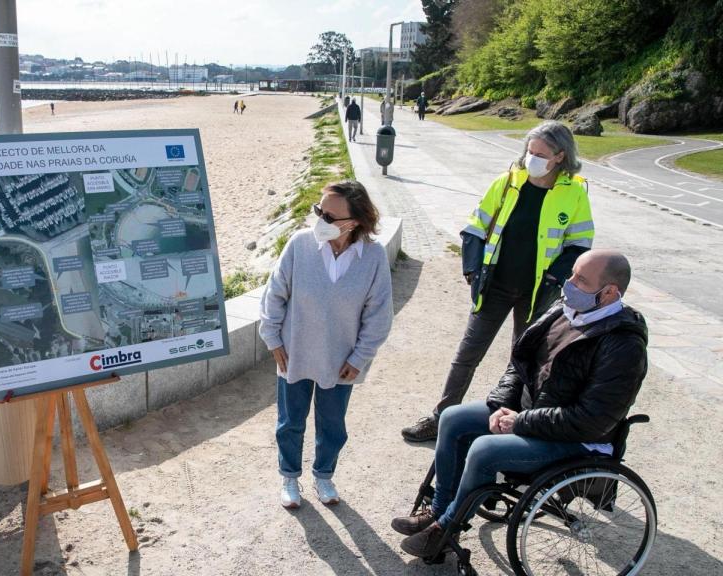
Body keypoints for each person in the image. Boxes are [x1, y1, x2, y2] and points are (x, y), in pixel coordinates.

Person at [392, 249, 648, 558]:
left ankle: (446, 528)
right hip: (530, 414)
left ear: (609, 293)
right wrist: (503, 404)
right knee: (452, 418)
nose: (569, 284)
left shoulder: (623, 346)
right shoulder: (563, 309)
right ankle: (439, 509)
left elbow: (590, 419)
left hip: (577, 440)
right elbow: (521, 362)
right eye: (571, 275)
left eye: (580, 279)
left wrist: (521, 422)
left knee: (484, 450)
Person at [401, 121, 595, 442]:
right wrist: (472, 266)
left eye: (540, 154)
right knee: (467, 354)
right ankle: (441, 417)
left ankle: (515, 423)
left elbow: (579, 244)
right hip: (495, 287)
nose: (531, 158)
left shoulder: (574, 194)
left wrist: (553, 276)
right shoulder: (507, 183)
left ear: (560, 156)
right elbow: (475, 226)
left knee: (525, 361)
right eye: (529, 151)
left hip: (538, 293)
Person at [260, 180, 394, 509]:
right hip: (294, 354)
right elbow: (274, 294)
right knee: (290, 421)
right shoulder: (299, 245)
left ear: (356, 221)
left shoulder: (373, 257)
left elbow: (379, 315)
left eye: (330, 217)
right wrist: (273, 338)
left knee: (333, 424)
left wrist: (361, 356)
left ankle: (323, 475)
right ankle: (289, 476)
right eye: (319, 211)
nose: (321, 220)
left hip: (341, 360)